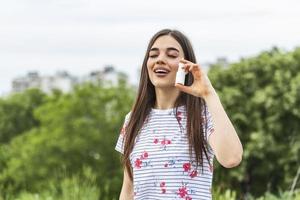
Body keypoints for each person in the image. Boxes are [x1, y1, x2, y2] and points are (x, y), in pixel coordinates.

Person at [115, 29, 243, 200]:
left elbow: (231, 158)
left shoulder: (201, 115)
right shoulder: (133, 119)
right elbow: (128, 189)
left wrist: (209, 94)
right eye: (153, 55)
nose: (160, 59)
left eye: (172, 55)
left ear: (186, 65)